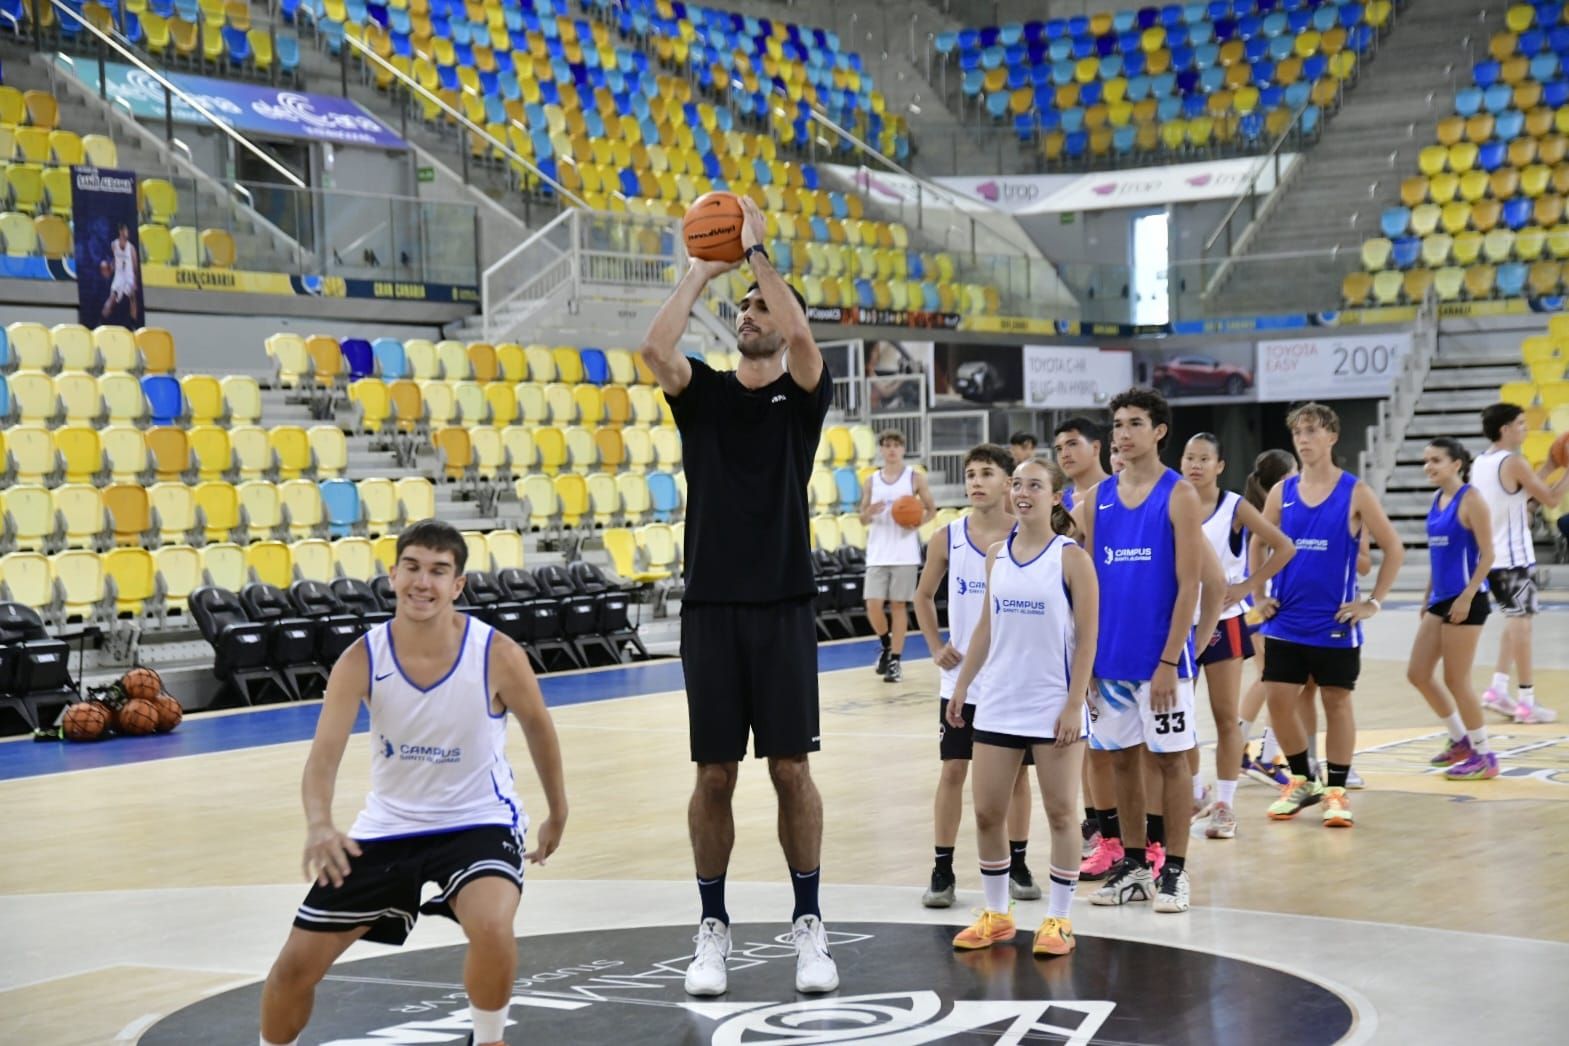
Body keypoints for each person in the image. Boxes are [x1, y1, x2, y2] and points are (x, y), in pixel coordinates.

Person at [259, 520, 568, 1046]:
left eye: (438, 571)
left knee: (492, 926)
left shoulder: (496, 653)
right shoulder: (362, 657)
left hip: (478, 820)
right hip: (387, 827)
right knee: (294, 968)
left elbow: (539, 727)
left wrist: (557, 811)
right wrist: (319, 823)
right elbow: (323, 758)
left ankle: (490, 1039)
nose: (423, 582)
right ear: (393, 574)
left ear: (458, 585)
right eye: (413, 567)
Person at [639, 194, 839, 997]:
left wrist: (757, 255)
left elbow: (799, 335)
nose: (750, 313)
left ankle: (810, 926)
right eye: (743, 309)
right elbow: (655, 346)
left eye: (760, 304)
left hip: (785, 603)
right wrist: (701, 267)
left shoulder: (802, 395)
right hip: (713, 609)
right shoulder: (707, 396)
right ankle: (711, 929)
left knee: (789, 771)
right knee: (714, 775)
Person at [946, 458, 1099, 956]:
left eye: (1035, 484)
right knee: (988, 812)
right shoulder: (997, 555)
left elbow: (1088, 639)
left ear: (1057, 497)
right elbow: (986, 627)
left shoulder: (1071, 558)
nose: (1022, 491)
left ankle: (1059, 920)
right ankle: (997, 916)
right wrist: (963, 685)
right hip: (998, 703)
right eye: (1016, 484)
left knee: (1060, 813)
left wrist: (1075, 703)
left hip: (1053, 704)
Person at [1078, 387, 1203, 914]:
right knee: (1121, 765)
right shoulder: (1094, 499)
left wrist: (1170, 660)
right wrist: (1082, 664)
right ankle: (1133, 865)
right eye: (1117, 425)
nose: (1122, 434)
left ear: (1158, 431)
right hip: (1108, 663)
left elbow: (1190, 585)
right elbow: (1081, 589)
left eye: (1133, 423)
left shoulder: (1179, 494)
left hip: (1161, 664)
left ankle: (1174, 871)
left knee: (1171, 763)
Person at [1257, 403, 1404, 828]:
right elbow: (1257, 542)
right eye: (1297, 433)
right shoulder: (1281, 491)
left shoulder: (1355, 491)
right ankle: (1304, 780)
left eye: (1311, 431)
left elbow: (1393, 548)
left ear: (1332, 437)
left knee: (1336, 702)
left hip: (1334, 622)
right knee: (1278, 701)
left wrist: (1372, 602)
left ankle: (1336, 791)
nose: (1303, 440)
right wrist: (1260, 592)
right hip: (1285, 619)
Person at [913, 444, 1038, 909]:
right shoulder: (947, 537)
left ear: (1009, 483)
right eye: (970, 474)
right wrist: (934, 646)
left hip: (1013, 680)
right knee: (952, 771)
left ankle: (1019, 861)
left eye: (987, 473)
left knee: (1019, 778)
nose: (976, 482)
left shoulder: (1027, 535)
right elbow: (923, 596)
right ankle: (942, 869)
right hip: (962, 680)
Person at [1180, 434, 1295, 839]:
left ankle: (1225, 805)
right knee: (1180, 719)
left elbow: (1282, 547)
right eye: (1189, 458)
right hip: (1179, 623)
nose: (1195, 465)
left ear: (1220, 466)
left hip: (1224, 622)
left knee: (1226, 717)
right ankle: (1195, 795)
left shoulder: (1233, 506)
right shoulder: (1170, 503)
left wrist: (1249, 587)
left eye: (1204, 459)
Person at [1052, 417, 1122, 877]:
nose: (1065, 453)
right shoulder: (1056, 500)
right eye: (1058, 446)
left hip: (1114, 631)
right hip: (1067, 633)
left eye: (1073, 444)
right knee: (1081, 741)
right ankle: (1096, 825)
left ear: (1097, 447)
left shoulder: (1118, 493)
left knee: (1116, 747)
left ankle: (1122, 834)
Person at [1408, 438, 1499, 780]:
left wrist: (1466, 596)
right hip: (1440, 599)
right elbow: (1439, 557)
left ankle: (1485, 755)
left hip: (1468, 599)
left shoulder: (1471, 499)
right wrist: (1427, 597)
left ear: (1456, 464)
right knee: (1418, 673)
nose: (1428, 466)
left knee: (1456, 679)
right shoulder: (1437, 499)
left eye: (1435, 460)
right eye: (1426, 461)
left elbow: (1488, 555)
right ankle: (1460, 740)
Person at [1475, 402, 1569, 723]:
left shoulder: (1483, 462)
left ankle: (1498, 689)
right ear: (1505, 429)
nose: (1526, 427)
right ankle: (1527, 700)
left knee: (1513, 623)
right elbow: (1552, 499)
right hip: (1512, 558)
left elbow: (1521, 494)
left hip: (1493, 557)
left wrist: (1550, 466)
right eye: (1520, 423)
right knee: (1523, 625)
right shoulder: (1514, 462)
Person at [860, 429, 937, 683]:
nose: (891, 450)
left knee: (898, 606)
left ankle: (895, 660)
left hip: (904, 552)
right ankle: (884, 644)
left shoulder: (914, 477)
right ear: (881, 450)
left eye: (896, 445)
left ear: (903, 449)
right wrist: (869, 511)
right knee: (872, 604)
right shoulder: (872, 480)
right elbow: (862, 519)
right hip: (878, 552)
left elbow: (931, 509)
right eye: (887, 445)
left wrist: (918, 522)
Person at [104, 223, 139, 322]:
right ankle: (103, 320)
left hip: (129, 276)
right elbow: (113, 260)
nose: (127, 233)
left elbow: (135, 266)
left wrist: (135, 281)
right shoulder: (114, 244)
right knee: (112, 298)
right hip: (119, 276)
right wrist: (111, 268)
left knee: (132, 298)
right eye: (125, 230)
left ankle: (134, 323)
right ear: (121, 231)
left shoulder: (131, 248)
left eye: (127, 231)